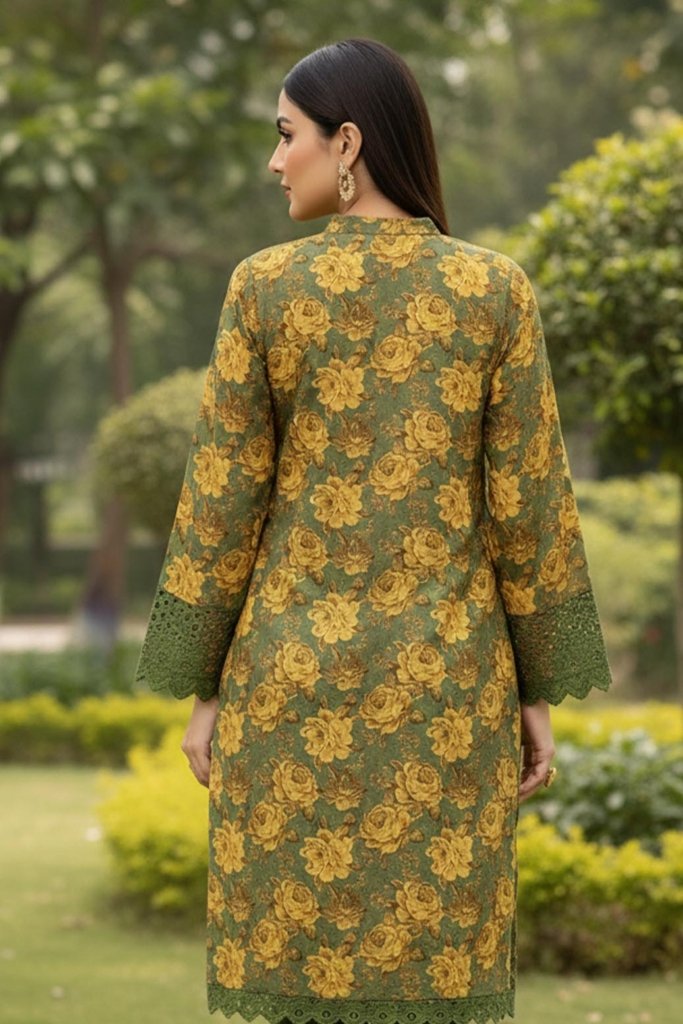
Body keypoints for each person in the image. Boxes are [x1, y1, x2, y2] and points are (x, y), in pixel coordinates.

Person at [134, 37, 613, 1024]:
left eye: (287, 136)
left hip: (287, 686)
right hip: (449, 691)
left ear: (345, 142)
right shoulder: (493, 291)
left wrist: (205, 691)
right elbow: (529, 511)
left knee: (296, 982)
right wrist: (533, 693)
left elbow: (222, 506)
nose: (275, 161)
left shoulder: (263, 289)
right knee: (434, 982)